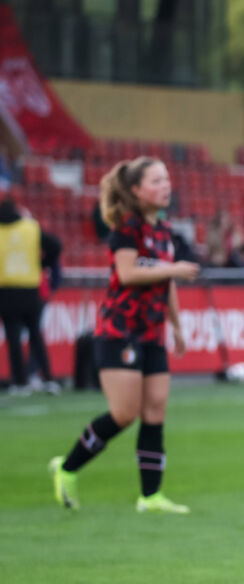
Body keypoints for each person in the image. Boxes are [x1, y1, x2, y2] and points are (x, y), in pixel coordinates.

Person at [49, 156, 200, 514]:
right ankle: (67, 469)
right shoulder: (127, 229)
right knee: (124, 413)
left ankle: (150, 497)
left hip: (152, 333)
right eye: (156, 181)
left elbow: (166, 283)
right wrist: (172, 268)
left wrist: (177, 327)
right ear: (136, 190)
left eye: (166, 179)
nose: (165, 186)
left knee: (155, 411)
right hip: (120, 331)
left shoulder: (163, 231)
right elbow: (128, 273)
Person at [0, 196, 61, 395]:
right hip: (29, 288)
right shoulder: (30, 228)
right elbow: (55, 245)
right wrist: (42, 265)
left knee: (13, 337)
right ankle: (48, 378)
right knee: (36, 335)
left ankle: (20, 382)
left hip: (6, 289)